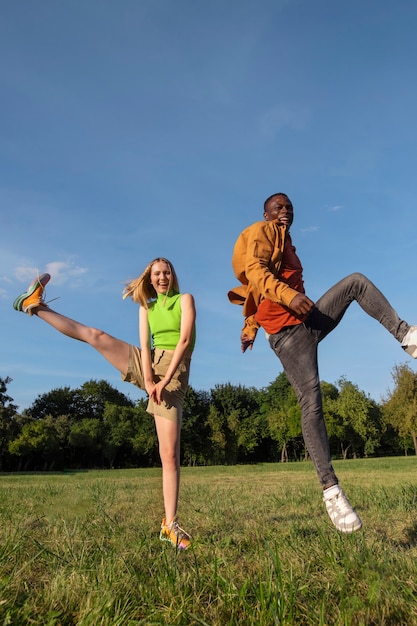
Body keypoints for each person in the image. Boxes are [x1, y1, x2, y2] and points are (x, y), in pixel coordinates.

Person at [228, 192, 417, 533]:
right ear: (266, 213)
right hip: (289, 338)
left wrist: (249, 327)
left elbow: (259, 295)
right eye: (278, 207)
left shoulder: (287, 244)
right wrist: (282, 302)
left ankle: (406, 336)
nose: (285, 211)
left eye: (289, 207)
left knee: (355, 282)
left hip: (309, 320)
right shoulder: (262, 231)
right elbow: (255, 275)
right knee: (311, 403)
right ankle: (331, 492)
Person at [13, 258, 196, 550]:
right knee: (97, 336)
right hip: (151, 365)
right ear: (149, 280)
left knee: (169, 457)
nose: (162, 277)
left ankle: (169, 526)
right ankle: (34, 306)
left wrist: (163, 382)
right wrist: (149, 380)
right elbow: (144, 345)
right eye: (157, 274)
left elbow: (185, 340)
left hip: (174, 375)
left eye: (167, 272)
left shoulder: (185, 299)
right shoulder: (146, 307)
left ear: (173, 275)